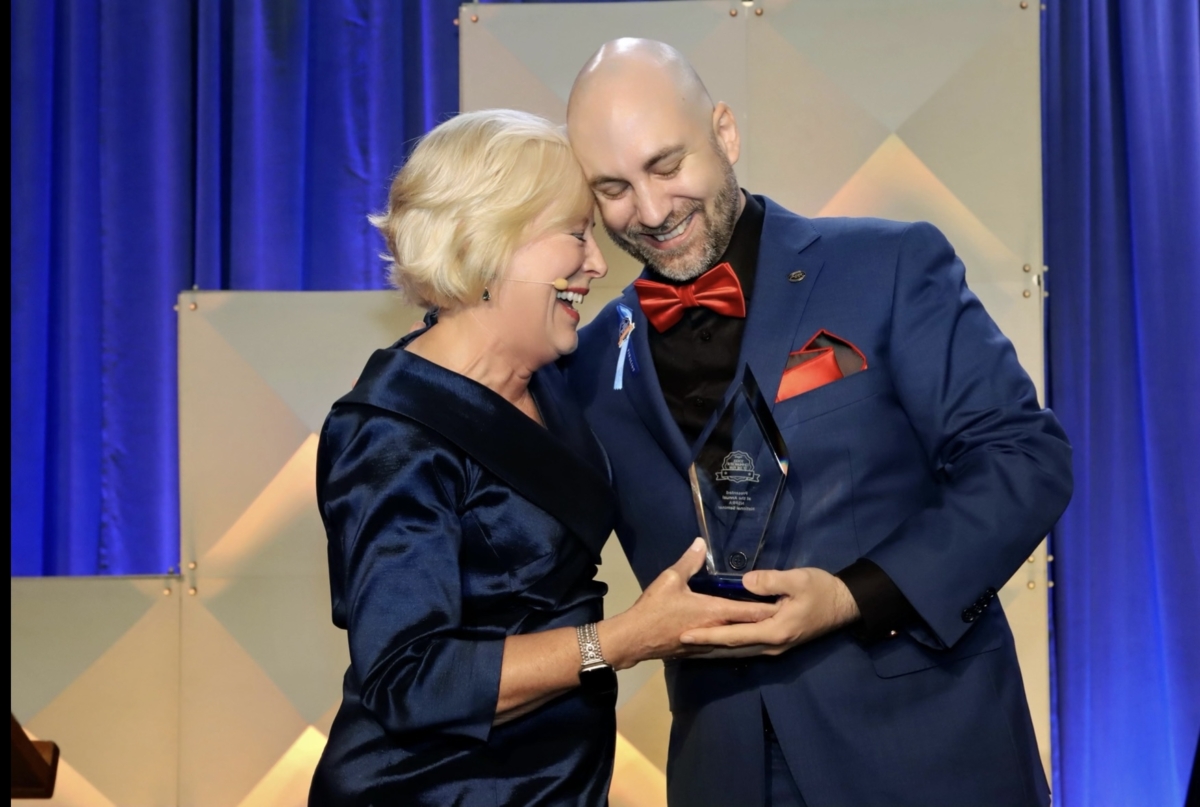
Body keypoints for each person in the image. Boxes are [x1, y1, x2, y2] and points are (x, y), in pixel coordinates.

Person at [562, 40, 1073, 806]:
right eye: (614, 188)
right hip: (724, 771)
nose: (652, 211)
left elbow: (1023, 460)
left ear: (725, 133)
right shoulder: (588, 358)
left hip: (929, 755)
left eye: (666, 166)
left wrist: (849, 596)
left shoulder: (889, 265)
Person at [307, 109, 775, 807]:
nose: (597, 263)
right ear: (489, 243)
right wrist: (622, 639)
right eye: (576, 234)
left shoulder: (557, 379)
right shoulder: (391, 431)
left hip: (556, 784)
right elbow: (410, 679)